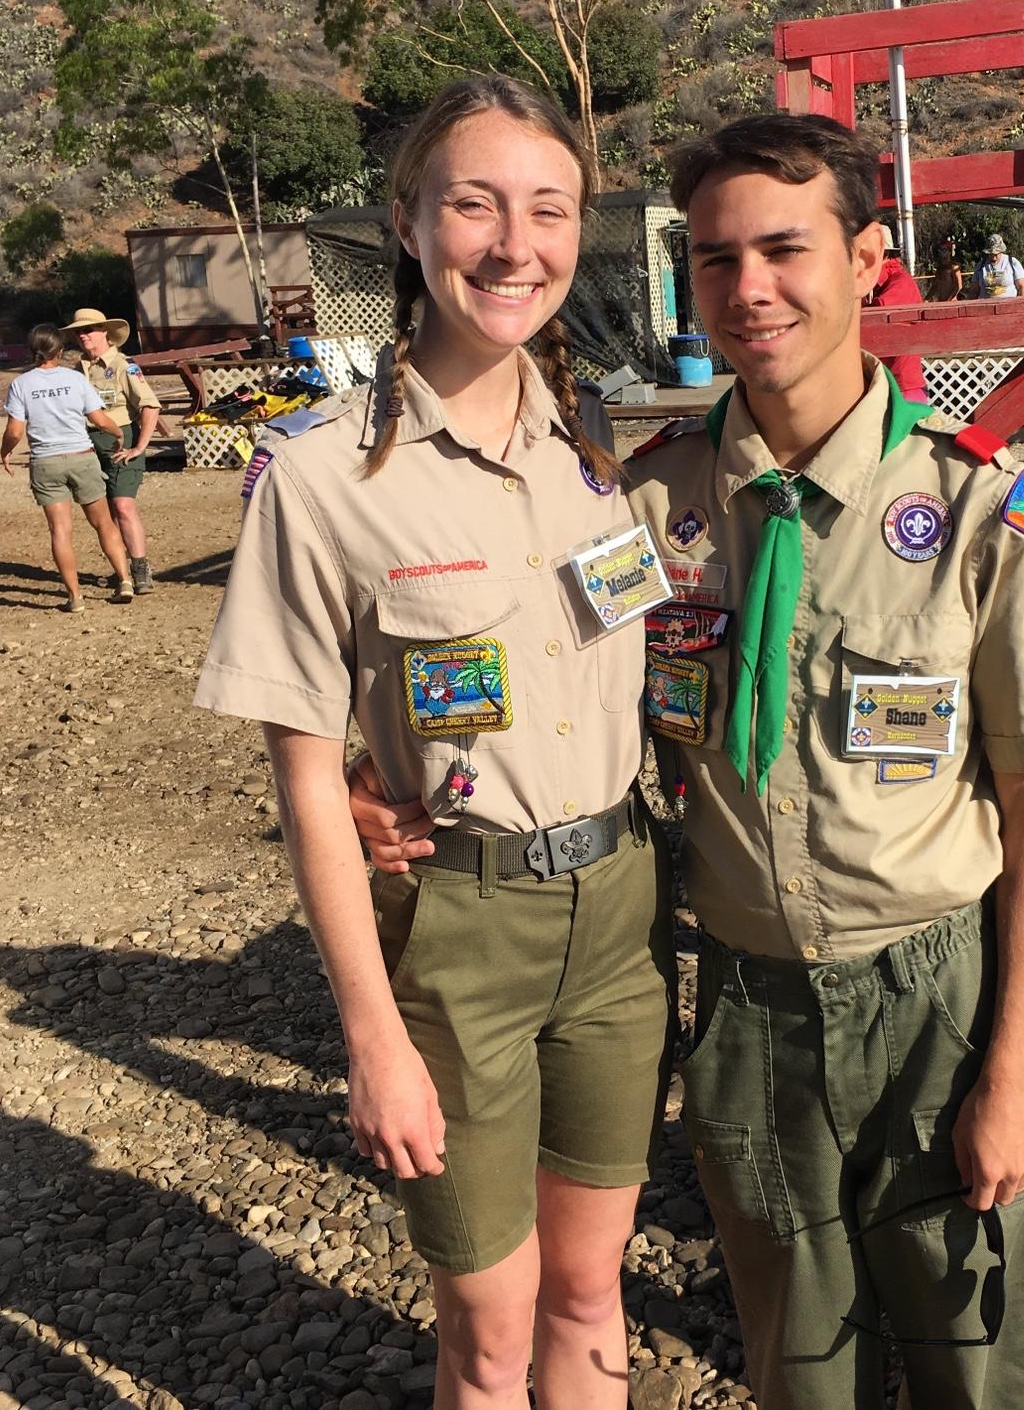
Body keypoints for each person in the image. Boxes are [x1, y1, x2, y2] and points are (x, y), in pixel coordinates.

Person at [350, 113, 1024, 1410]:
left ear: (870, 258)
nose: (750, 288)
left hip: (935, 995)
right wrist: (393, 767)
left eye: (785, 249)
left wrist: (1014, 1069)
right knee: (794, 1364)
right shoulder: (652, 503)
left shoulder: (985, 508)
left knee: (969, 1356)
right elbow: (532, 661)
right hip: (751, 1004)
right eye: (717, 259)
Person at [194, 76, 676, 1410]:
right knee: (491, 1326)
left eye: (549, 209)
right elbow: (300, 779)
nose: (514, 245)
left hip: (622, 913)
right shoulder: (316, 479)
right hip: (464, 929)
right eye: (474, 205)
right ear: (409, 223)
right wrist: (372, 1036)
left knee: (592, 1292)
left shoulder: (591, 453)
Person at [0, 323, 135, 611]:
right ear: (59, 351)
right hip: (81, 456)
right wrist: (119, 433)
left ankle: (75, 597)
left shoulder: (21, 385)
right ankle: (124, 579)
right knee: (102, 522)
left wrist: (6, 451)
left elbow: (15, 431)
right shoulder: (75, 380)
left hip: (46, 462)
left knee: (60, 531)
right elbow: (98, 419)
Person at [61, 307, 162, 594]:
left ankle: (140, 568)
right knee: (104, 513)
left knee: (124, 506)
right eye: (79, 332)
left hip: (121, 440)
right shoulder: (76, 371)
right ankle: (123, 571)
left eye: (89, 330)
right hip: (86, 445)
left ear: (105, 331)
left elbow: (150, 405)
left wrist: (139, 446)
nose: (83, 336)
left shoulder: (123, 365)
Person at [864, 224, 928, 404]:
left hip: (903, 385)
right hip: (892, 382)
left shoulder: (900, 283)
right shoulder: (882, 284)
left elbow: (874, 316)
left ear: (882, 254)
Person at [974, 232, 1024, 298]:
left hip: (1009, 306)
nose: (994, 258)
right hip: (985, 306)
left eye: (996, 254)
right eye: (991, 254)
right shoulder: (981, 266)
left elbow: (1022, 287)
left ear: (1001, 251)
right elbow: (974, 291)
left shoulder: (1012, 263)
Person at [925, 235, 964, 302]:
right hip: (941, 302)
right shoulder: (939, 269)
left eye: (944, 250)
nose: (941, 253)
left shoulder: (954, 268)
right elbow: (934, 286)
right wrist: (926, 300)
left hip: (951, 303)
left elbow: (959, 286)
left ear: (949, 251)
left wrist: (949, 300)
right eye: (940, 250)